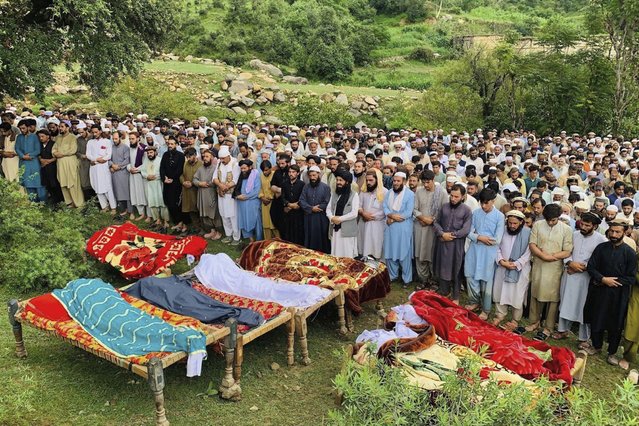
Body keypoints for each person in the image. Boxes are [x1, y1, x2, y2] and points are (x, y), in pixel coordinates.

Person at [584, 220, 636, 369]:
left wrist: (613, 281)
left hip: (618, 294)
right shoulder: (601, 248)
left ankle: (612, 352)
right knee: (596, 316)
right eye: (611, 231)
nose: (613, 234)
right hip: (599, 289)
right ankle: (596, 346)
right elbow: (591, 267)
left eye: (617, 232)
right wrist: (602, 279)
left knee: (615, 323)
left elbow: (631, 277)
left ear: (625, 233)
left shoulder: (630, 253)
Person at [554, 212, 607, 346]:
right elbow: (565, 251)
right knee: (566, 301)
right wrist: (569, 263)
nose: (583, 227)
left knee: (584, 306)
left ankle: (583, 338)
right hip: (569, 274)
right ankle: (562, 330)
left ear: (594, 226)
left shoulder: (601, 240)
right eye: (582, 223)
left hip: (586, 278)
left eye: (587, 225)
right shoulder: (573, 234)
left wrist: (582, 268)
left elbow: (600, 260)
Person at [527, 203, 574, 341]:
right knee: (535, 293)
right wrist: (543, 256)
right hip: (539, 264)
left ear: (558, 217)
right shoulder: (538, 225)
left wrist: (551, 256)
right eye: (548, 219)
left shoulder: (566, 229)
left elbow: (567, 251)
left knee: (553, 298)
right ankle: (534, 322)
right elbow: (532, 244)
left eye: (553, 220)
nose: (550, 222)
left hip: (555, 267)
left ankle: (548, 327)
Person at [464, 188, 505, 320]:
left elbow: (497, 239)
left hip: (489, 253)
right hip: (474, 249)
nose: (483, 205)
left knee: (486, 280)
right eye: (482, 202)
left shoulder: (500, 216)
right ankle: (474, 302)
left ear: (493, 201)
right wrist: (479, 238)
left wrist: (478, 237)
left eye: (487, 203)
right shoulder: (475, 213)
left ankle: (486, 309)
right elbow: (468, 232)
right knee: (470, 275)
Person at [492, 210, 531, 330]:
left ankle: (515, 320)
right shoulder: (502, 230)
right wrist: (501, 261)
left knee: (517, 294)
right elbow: (496, 246)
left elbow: (529, 251)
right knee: (500, 290)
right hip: (502, 266)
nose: (512, 226)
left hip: (520, 268)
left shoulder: (528, 232)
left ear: (521, 222)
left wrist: (516, 264)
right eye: (510, 223)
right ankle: (500, 315)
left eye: (515, 223)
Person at [433, 183, 472, 303]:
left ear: (463, 197)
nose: (453, 199)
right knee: (442, 267)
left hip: (456, 245)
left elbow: (466, 230)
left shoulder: (467, 210)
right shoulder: (444, 207)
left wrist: (451, 236)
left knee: (456, 268)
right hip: (442, 242)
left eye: (456, 197)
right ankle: (444, 291)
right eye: (452, 196)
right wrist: (442, 233)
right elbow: (436, 222)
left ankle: (455, 296)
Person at [413, 169, 447, 288]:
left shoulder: (442, 193)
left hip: (434, 229)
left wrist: (431, 220)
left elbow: (444, 212)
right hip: (420, 227)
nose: (426, 185)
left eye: (428, 182)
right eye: (424, 182)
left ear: (433, 180)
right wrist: (422, 218)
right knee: (420, 254)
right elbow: (414, 209)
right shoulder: (418, 191)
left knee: (433, 254)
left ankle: (434, 280)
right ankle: (423, 280)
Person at [383, 172, 415, 287]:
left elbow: (408, 212)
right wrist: (390, 215)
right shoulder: (389, 192)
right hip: (390, 227)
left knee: (404, 252)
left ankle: (407, 279)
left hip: (403, 227)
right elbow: (385, 206)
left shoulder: (410, 194)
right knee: (390, 251)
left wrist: (393, 218)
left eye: (398, 181)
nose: (395, 183)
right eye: (394, 181)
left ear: (404, 182)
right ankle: (393, 275)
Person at [326, 168, 360, 257]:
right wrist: (332, 218)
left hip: (347, 231)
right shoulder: (334, 193)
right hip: (335, 228)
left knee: (347, 254)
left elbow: (354, 213)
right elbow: (328, 209)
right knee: (335, 253)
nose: (338, 182)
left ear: (347, 182)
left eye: (341, 180)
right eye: (337, 180)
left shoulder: (354, 195)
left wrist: (340, 219)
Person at [299, 165, 331, 253]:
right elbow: (301, 200)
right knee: (309, 236)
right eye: (311, 176)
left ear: (318, 175)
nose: (312, 178)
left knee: (321, 236)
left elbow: (327, 202)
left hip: (321, 217)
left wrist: (318, 208)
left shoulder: (325, 187)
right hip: (309, 216)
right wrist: (311, 208)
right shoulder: (306, 187)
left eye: (314, 175)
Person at [53, 121, 84, 208]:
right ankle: (69, 203)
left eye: (62, 126)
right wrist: (55, 153)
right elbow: (54, 149)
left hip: (70, 162)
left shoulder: (72, 137)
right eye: (59, 126)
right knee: (63, 183)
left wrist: (61, 153)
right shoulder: (58, 138)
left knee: (73, 183)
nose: (60, 128)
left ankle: (79, 204)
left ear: (67, 128)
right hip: (60, 163)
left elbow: (73, 150)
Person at [213, 145, 241, 245]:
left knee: (233, 215)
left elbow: (235, 180)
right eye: (220, 158)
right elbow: (214, 178)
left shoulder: (235, 164)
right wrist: (220, 185)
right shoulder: (219, 163)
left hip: (231, 195)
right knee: (224, 214)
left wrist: (225, 187)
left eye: (223, 158)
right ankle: (228, 235)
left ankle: (236, 237)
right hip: (221, 193)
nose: (222, 160)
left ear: (228, 156)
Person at [358, 169, 387, 259]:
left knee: (376, 250)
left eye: (371, 180)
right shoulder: (363, 191)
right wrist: (363, 213)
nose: (368, 182)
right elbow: (358, 205)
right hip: (363, 224)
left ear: (377, 180)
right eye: (367, 180)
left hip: (377, 225)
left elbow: (385, 210)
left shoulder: (385, 192)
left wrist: (370, 216)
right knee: (364, 249)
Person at [193, 149, 222, 240]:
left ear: (212, 158)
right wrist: (199, 183)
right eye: (204, 157)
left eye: (207, 156)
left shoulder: (215, 168)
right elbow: (194, 179)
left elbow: (217, 180)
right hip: (201, 194)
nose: (205, 158)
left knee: (214, 213)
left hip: (211, 193)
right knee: (205, 213)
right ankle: (212, 231)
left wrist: (208, 183)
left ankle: (219, 232)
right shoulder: (200, 168)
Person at [86, 125, 116, 212]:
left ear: (100, 131)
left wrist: (102, 159)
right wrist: (96, 160)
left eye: (96, 132)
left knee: (107, 187)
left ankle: (113, 207)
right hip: (94, 167)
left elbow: (108, 154)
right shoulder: (90, 142)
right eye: (93, 132)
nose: (95, 134)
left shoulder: (107, 141)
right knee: (97, 186)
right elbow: (88, 154)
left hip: (104, 167)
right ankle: (104, 207)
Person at [16, 119, 46, 201]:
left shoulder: (35, 137)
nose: (22, 130)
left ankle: (42, 201)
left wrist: (30, 155)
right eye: (20, 129)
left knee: (38, 182)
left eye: (23, 128)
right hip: (23, 162)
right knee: (27, 182)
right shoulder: (19, 137)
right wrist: (22, 156)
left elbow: (38, 150)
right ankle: (32, 202)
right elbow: (17, 148)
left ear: (28, 127)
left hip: (34, 162)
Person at [140, 145, 169, 230]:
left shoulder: (160, 160)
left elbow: (163, 171)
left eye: (151, 152)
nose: (149, 154)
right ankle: (157, 219)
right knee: (152, 202)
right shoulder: (145, 161)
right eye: (148, 153)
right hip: (149, 184)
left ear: (155, 152)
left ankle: (166, 221)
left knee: (162, 202)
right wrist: (147, 176)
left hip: (159, 183)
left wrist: (156, 176)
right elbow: (143, 171)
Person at [233, 159, 262, 242]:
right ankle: (251, 240)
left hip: (253, 203)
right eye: (241, 169)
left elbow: (257, 190)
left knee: (256, 221)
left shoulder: (256, 175)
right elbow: (237, 188)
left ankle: (259, 240)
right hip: (241, 203)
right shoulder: (241, 175)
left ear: (250, 167)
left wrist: (245, 197)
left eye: (244, 168)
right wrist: (238, 197)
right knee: (244, 220)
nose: (243, 170)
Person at [160, 137, 186, 230]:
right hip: (167, 183)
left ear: (176, 145)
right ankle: (176, 221)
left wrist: (172, 178)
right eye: (169, 144)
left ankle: (180, 222)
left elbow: (180, 170)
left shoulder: (180, 155)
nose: (170, 145)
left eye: (172, 144)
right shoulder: (165, 154)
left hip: (176, 183)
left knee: (175, 203)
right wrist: (164, 178)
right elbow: (162, 168)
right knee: (168, 202)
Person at [280, 164, 305, 245]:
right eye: (289, 172)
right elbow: (282, 197)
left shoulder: (302, 184)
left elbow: (302, 198)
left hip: (298, 213)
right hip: (287, 213)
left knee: (298, 233)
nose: (291, 174)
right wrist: (288, 205)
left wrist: (293, 206)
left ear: (298, 173)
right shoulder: (284, 183)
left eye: (293, 172)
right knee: (288, 232)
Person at [37, 129, 64, 204]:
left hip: (53, 167)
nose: (41, 138)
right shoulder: (39, 144)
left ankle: (60, 202)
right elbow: (38, 154)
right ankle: (53, 202)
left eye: (42, 136)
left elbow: (56, 155)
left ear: (48, 136)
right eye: (39, 137)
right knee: (48, 185)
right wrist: (41, 159)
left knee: (55, 185)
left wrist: (48, 161)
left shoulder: (53, 144)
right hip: (44, 168)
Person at [180, 147, 202, 234]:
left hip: (196, 191)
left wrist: (192, 183)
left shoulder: (201, 165)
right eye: (187, 157)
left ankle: (201, 228)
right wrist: (183, 182)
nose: (188, 159)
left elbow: (202, 178)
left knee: (197, 209)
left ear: (195, 155)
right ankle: (195, 227)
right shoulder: (185, 164)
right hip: (186, 191)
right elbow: (181, 175)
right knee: (190, 210)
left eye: (190, 157)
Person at [109, 131, 130, 216]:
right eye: (113, 138)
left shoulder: (125, 148)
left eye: (116, 138)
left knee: (125, 191)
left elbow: (127, 160)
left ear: (120, 138)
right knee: (117, 191)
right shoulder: (111, 147)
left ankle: (129, 209)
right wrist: (112, 165)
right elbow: (108, 158)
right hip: (114, 173)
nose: (114, 140)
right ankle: (121, 209)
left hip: (123, 172)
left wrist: (118, 166)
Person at [127, 131, 147, 220]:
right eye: (130, 139)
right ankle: (139, 211)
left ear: (138, 138)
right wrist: (129, 168)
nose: (131, 141)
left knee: (140, 193)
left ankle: (143, 213)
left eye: (132, 139)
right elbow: (127, 162)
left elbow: (146, 163)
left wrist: (137, 169)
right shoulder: (129, 148)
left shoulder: (144, 148)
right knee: (134, 192)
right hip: (132, 174)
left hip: (140, 174)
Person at [258, 160, 279, 240]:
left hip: (274, 202)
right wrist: (262, 197)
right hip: (264, 203)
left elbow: (277, 189)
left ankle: (278, 242)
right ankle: (267, 242)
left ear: (271, 168)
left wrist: (271, 198)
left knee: (274, 224)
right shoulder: (261, 176)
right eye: (263, 170)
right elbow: (259, 188)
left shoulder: (275, 175)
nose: (264, 172)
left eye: (266, 170)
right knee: (266, 223)